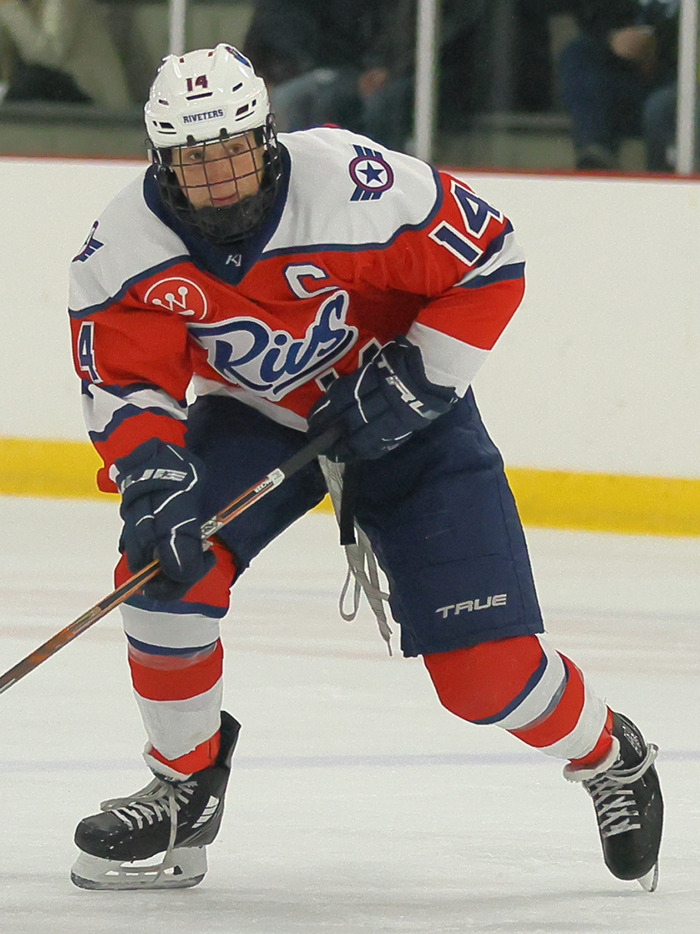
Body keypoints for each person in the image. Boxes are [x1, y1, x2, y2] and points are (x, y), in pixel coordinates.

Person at [67, 43, 663, 892]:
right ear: (161, 162)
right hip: (259, 417)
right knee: (161, 573)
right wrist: (154, 480)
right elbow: (126, 382)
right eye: (197, 162)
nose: (223, 178)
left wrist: (422, 374)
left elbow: (491, 256)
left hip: (408, 418)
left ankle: (612, 754)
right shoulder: (122, 245)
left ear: (267, 138)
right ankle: (184, 784)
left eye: (235, 150)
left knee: (485, 680)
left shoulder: (355, 183)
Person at [242, 0, 486, 151]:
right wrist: (256, 74)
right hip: (335, 70)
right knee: (292, 100)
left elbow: (424, 35)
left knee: (369, 104)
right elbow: (267, 28)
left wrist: (386, 68)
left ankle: (380, 171)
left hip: (414, 75)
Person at [557, 0, 680, 170]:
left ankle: (663, 184)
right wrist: (611, 41)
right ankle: (596, 156)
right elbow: (591, 19)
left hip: (673, 85)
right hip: (622, 80)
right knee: (577, 53)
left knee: (660, 107)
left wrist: (659, 47)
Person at [0, 0, 130, 110]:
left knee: (31, 80)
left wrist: (8, 6)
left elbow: (49, 57)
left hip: (95, 101)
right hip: (56, 96)